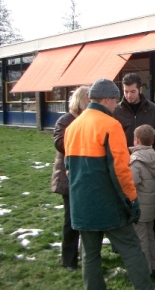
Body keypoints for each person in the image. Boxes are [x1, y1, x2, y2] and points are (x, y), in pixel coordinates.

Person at [64, 78, 154, 290]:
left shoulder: (72, 126)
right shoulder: (111, 125)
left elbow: (69, 169)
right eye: (115, 101)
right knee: (132, 249)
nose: (116, 105)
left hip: (81, 203)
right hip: (109, 204)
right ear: (106, 99)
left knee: (90, 255)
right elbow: (121, 170)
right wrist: (132, 200)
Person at [113, 72, 155, 254]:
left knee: (152, 204)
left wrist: (154, 152)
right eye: (125, 91)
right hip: (124, 162)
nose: (129, 95)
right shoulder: (116, 111)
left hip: (150, 164)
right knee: (125, 203)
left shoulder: (152, 110)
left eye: (132, 91)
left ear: (140, 89)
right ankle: (124, 247)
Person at [51, 85, 89, 272]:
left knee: (85, 218)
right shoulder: (65, 120)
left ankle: (85, 254)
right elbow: (59, 143)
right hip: (69, 177)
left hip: (85, 175)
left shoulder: (89, 119)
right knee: (71, 220)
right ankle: (69, 260)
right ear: (82, 100)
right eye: (89, 100)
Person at [129, 124, 155, 275]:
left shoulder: (136, 161)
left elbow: (132, 182)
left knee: (140, 238)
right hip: (152, 204)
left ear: (136, 140)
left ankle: (144, 270)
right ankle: (153, 265)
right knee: (150, 236)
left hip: (140, 205)